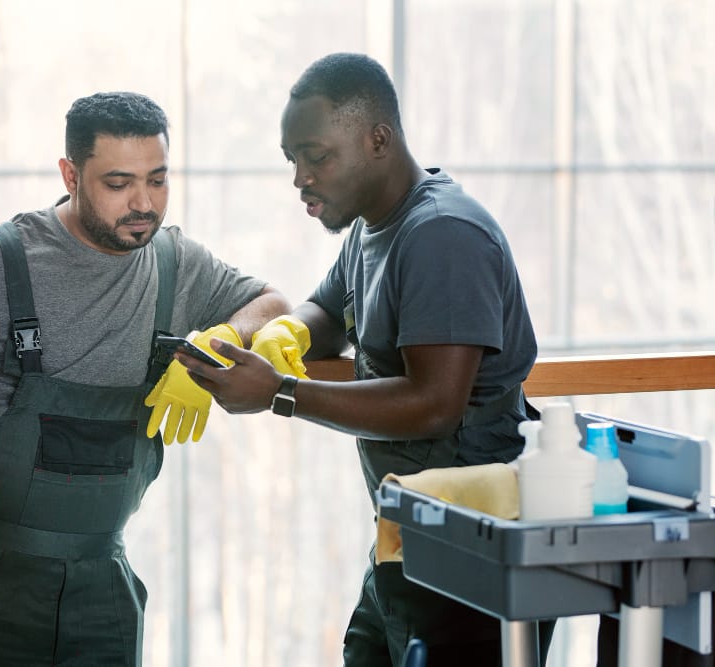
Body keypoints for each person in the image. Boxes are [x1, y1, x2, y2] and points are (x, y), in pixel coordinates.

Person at [0, 91, 291, 666]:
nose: (143, 203)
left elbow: (273, 302)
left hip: (100, 583)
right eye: (118, 183)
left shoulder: (175, 263)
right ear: (70, 173)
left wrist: (221, 339)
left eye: (158, 180)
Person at [176, 53, 547, 666]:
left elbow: (433, 404)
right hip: (408, 538)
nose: (299, 177)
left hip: (477, 553)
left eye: (315, 156)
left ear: (378, 139)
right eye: (291, 159)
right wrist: (282, 333)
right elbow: (328, 309)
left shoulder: (442, 235)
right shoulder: (374, 228)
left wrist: (279, 393)